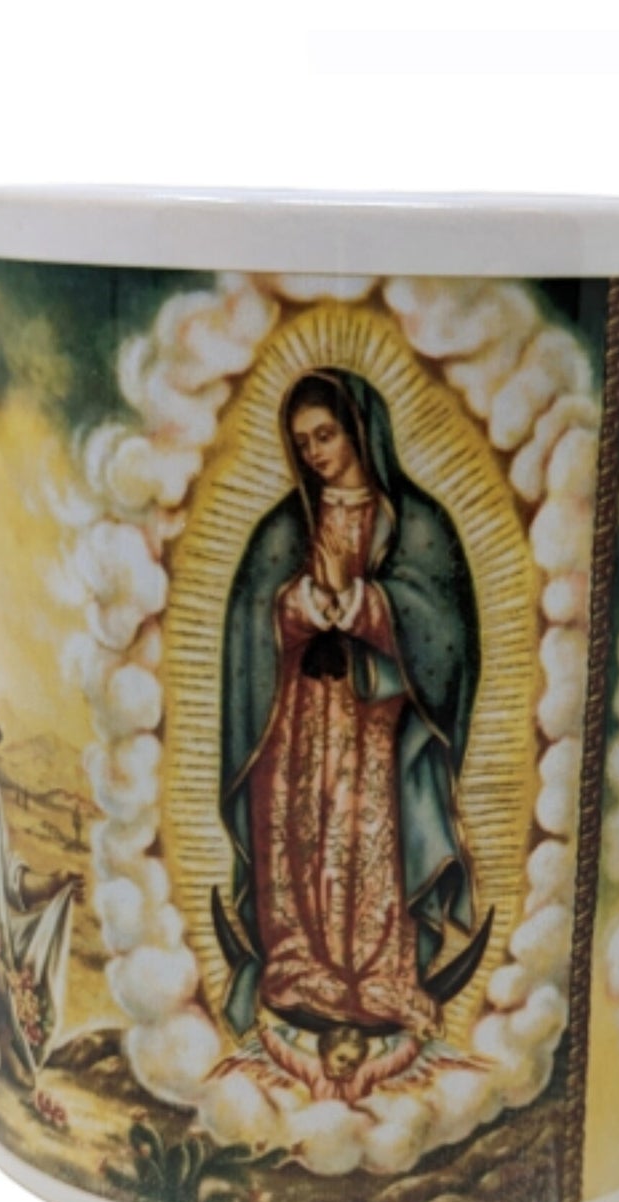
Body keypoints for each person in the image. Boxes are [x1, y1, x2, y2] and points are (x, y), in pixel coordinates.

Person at [215, 368, 484, 1047]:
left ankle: (380, 974)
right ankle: (300, 965)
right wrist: (307, 602)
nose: (314, 453)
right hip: (297, 721)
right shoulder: (287, 526)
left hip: (377, 724)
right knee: (302, 831)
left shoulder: (415, 524)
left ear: (361, 430)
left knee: (366, 832)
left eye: (326, 435)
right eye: (302, 442)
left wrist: (363, 601)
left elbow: (444, 631)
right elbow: (251, 620)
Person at [0, 659, 82, 1084]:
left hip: (0, 938)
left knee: (20, 1034)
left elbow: (9, 878)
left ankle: (10, 1033)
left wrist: (55, 883)